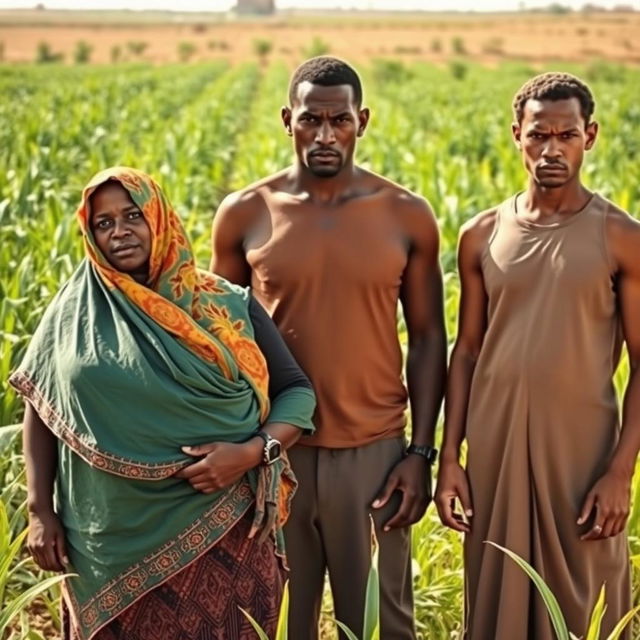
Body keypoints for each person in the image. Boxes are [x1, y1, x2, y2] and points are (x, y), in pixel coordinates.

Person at [9, 166, 316, 640]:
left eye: (132, 215)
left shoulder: (225, 304)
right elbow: (42, 407)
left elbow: (297, 392)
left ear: (159, 217)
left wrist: (252, 453)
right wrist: (38, 510)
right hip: (109, 540)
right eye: (103, 223)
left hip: (226, 526)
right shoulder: (72, 313)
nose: (119, 232)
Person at [211, 56, 447, 640]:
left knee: (380, 622)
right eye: (310, 120)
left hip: (375, 454)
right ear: (286, 119)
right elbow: (221, 339)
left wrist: (419, 453)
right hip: (275, 451)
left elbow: (427, 339)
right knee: (275, 617)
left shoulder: (406, 216)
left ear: (361, 121)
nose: (324, 135)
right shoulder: (246, 214)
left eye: (338, 120)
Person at [435, 72, 640, 639]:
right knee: (497, 596)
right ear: (516, 136)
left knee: (584, 602)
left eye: (567, 135)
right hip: (495, 450)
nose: (552, 149)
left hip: (581, 455)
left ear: (590, 136)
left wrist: (621, 471)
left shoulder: (622, 235)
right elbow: (467, 350)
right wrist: (451, 459)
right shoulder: (482, 234)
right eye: (538, 135)